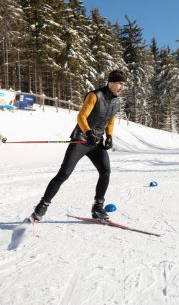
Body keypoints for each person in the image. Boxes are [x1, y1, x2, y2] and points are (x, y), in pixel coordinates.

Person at [30, 69, 127, 221]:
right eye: (120, 83)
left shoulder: (116, 101)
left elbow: (111, 120)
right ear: (111, 83)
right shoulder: (95, 95)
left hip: (96, 142)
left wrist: (109, 136)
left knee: (105, 171)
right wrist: (88, 132)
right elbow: (81, 116)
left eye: (123, 84)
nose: (122, 87)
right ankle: (41, 207)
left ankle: (98, 207)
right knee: (64, 174)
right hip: (81, 139)